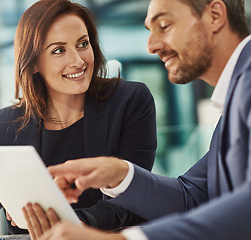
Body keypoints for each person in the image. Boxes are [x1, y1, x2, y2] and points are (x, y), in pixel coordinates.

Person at [22, 0, 251, 239]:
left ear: (215, 15)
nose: (151, 46)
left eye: (164, 25)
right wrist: (119, 174)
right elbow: (191, 197)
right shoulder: (235, 99)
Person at [0, 0, 157, 239]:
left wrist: (68, 225)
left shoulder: (130, 101)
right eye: (59, 50)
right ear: (34, 63)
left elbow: (130, 202)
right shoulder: (4, 125)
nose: (78, 60)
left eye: (83, 44)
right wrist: (4, 185)